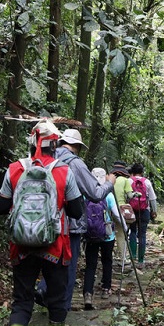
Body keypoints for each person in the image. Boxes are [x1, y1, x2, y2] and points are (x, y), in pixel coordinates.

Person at [0, 120, 85, 326]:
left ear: (33, 142)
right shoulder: (64, 172)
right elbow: (77, 212)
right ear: (55, 144)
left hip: (21, 248)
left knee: (21, 301)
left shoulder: (15, 169)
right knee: (56, 299)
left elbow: (0, 208)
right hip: (55, 248)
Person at [35, 128, 115, 311]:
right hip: (70, 223)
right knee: (68, 265)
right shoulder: (75, 164)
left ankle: (44, 290)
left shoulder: (47, 159)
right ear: (77, 146)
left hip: (45, 221)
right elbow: (95, 194)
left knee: (51, 259)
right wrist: (110, 183)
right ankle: (62, 309)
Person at [82, 168, 126, 309]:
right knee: (107, 261)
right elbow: (117, 214)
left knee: (90, 265)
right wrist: (125, 228)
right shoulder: (108, 194)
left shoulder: (86, 193)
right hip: (107, 234)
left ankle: (88, 293)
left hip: (90, 234)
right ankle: (106, 289)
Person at [129, 163, 158, 270]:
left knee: (132, 232)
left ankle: (132, 256)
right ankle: (140, 260)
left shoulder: (129, 181)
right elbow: (152, 199)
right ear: (142, 172)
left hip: (132, 210)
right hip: (144, 210)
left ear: (132, 171)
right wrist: (154, 211)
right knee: (142, 235)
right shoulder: (147, 182)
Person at [110, 160, 134, 272]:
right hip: (120, 209)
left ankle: (111, 255)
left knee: (108, 233)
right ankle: (123, 257)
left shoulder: (109, 179)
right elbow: (130, 195)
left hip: (108, 208)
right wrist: (135, 194)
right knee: (121, 234)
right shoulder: (125, 180)